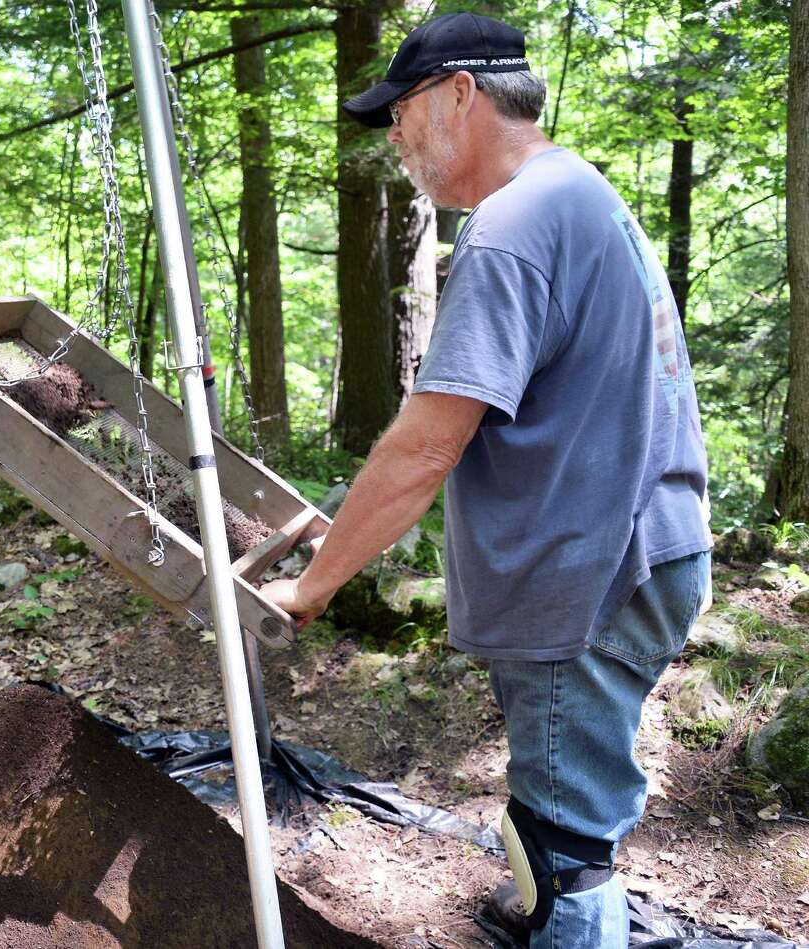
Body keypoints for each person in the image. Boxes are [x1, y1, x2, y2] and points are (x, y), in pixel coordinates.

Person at [262, 12, 712, 949]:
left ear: (461, 94)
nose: (394, 133)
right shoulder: (577, 191)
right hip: (646, 544)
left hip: (583, 577)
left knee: (564, 844)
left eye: (402, 109)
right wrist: (336, 526)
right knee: (563, 809)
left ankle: (568, 917)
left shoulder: (510, 230)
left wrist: (312, 585)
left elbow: (428, 445)